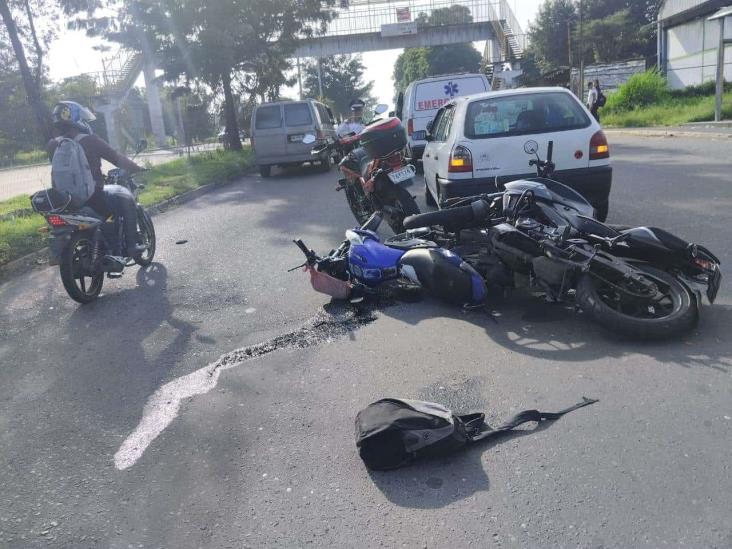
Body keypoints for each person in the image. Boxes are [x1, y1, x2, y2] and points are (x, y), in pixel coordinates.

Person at [47, 101, 147, 255]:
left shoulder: (53, 145)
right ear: (78, 120)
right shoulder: (91, 140)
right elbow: (116, 158)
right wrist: (137, 168)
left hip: (64, 200)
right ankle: (131, 246)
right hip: (93, 196)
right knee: (126, 200)